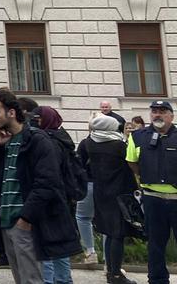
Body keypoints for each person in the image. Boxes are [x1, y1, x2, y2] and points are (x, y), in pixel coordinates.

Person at [0, 88, 80, 284]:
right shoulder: (5, 141)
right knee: (22, 279)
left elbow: (47, 183)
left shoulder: (37, 140)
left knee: (32, 280)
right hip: (6, 223)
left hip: (25, 223)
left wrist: (25, 218)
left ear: (11, 113)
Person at [78, 114, 136, 284]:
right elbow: (129, 167)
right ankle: (115, 274)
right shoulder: (118, 145)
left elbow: (79, 164)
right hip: (118, 193)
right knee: (117, 234)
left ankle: (111, 272)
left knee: (109, 233)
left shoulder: (87, 143)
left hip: (99, 192)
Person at [126, 99, 177, 284]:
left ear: (171, 116)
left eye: (163, 111)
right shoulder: (138, 136)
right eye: (154, 111)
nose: (158, 114)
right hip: (153, 198)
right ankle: (157, 280)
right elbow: (131, 161)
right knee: (155, 245)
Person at [35, 107, 80, 284]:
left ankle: (52, 280)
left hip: (52, 198)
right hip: (63, 198)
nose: (35, 122)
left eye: (38, 119)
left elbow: (49, 172)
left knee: (49, 244)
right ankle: (63, 279)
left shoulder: (49, 142)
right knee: (61, 244)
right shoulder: (63, 138)